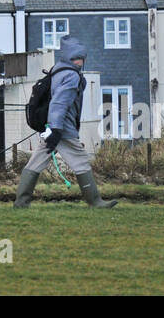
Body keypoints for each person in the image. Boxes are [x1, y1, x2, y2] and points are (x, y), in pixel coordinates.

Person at [14, 35, 118, 209]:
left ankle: (21, 202)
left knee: (36, 162)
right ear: (69, 58)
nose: (79, 62)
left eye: (81, 58)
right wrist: (56, 129)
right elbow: (59, 103)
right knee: (81, 162)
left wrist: (52, 128)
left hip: (51, 126)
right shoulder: (71, 76)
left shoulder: (57, 70)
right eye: (76, 58)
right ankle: (95, 202)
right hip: (62, 128)